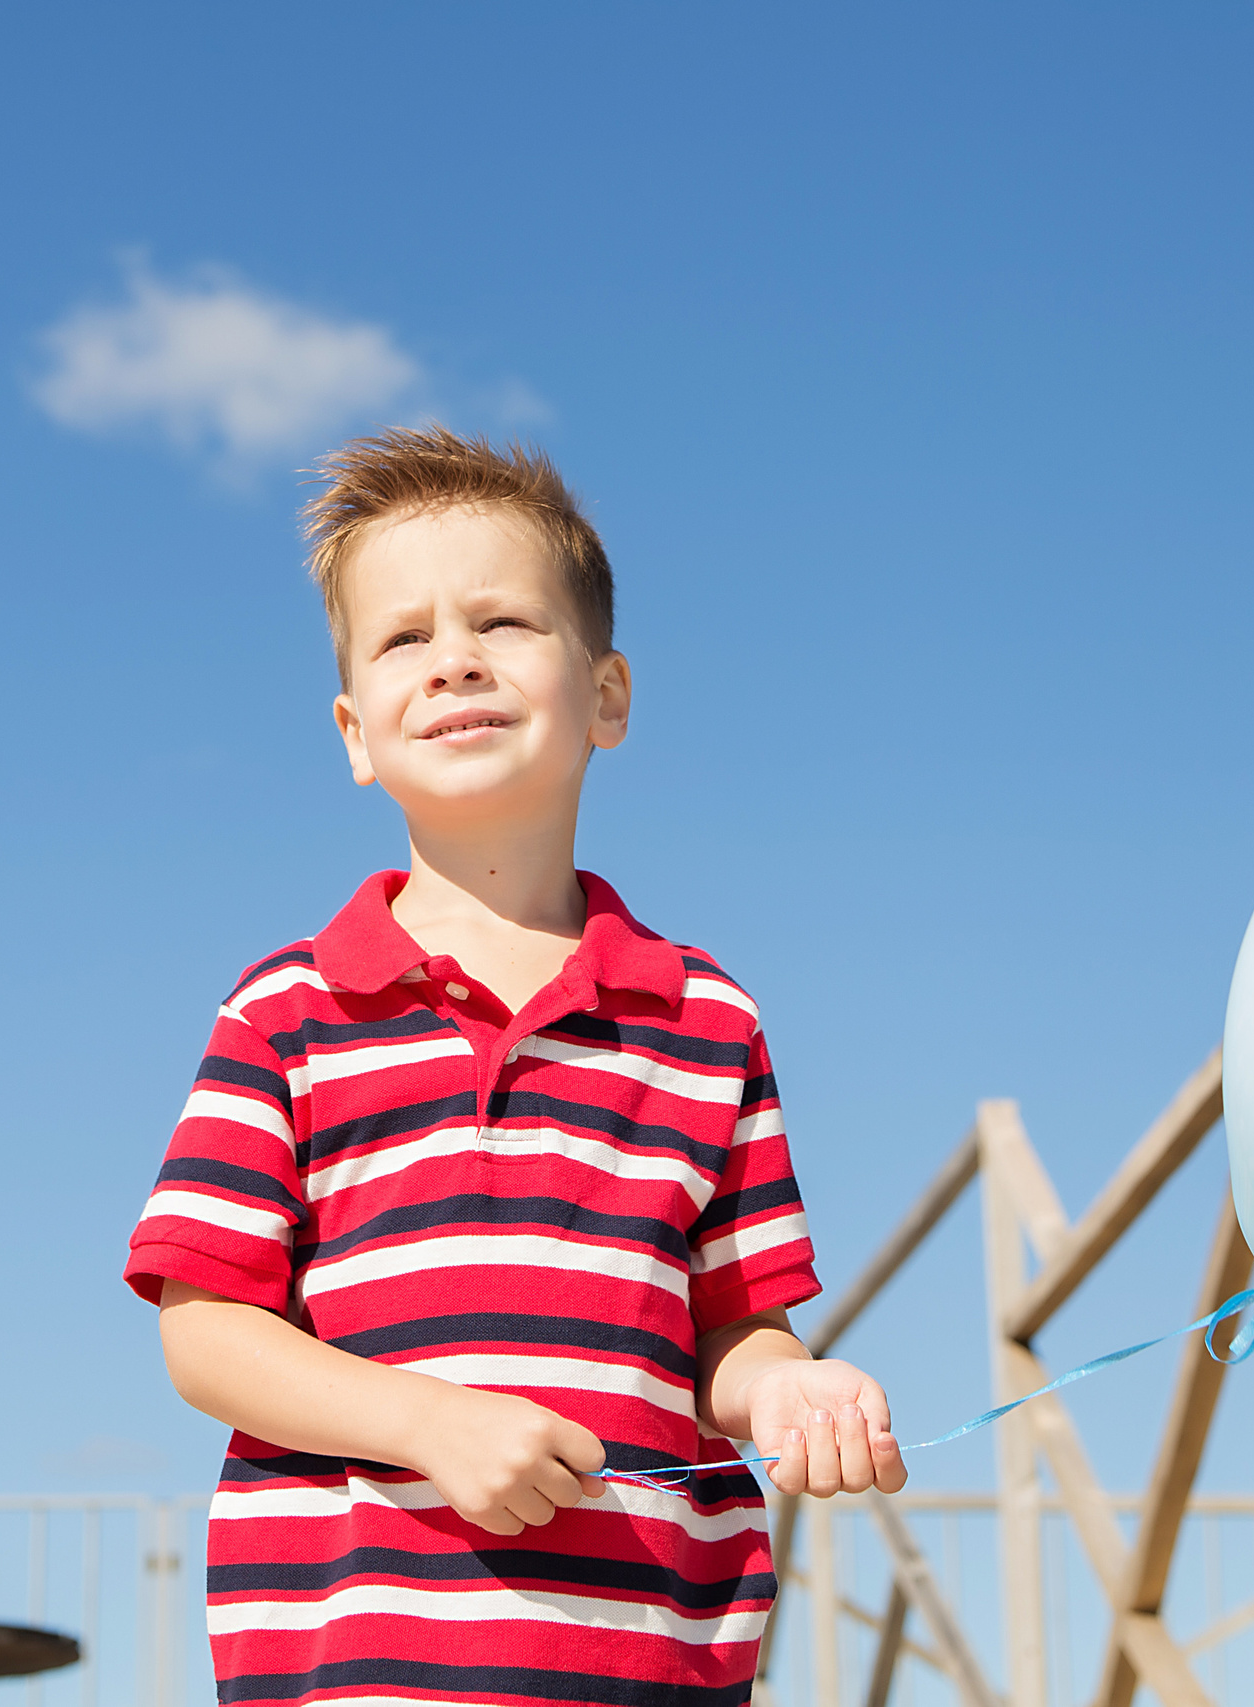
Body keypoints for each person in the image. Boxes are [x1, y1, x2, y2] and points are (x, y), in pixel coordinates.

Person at [124, 425, 907, 1707]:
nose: (454, 662)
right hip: (366, 1671)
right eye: (402, 638)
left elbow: (735, 1332)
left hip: (652, 1658)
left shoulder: (708, 1020)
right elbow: (207, 1331)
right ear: (354, 734)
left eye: (501, 622)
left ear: (605, 695)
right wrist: (429, 1423)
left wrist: (790, 1393)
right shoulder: (286, 1011)